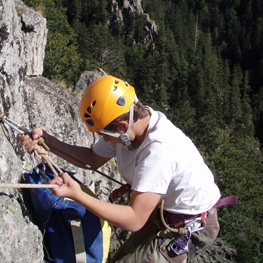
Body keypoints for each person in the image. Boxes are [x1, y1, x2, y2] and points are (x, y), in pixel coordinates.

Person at [20, 75, 221, 263]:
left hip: (190, 225)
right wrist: (49, 141)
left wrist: (77, 195)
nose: (104, 139)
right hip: (164, 210)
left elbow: (134, 220)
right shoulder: (133, 123)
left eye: (104, 134)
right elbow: (92, 159)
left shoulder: (158, 151)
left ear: (123, 125)